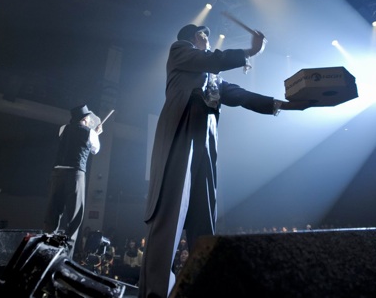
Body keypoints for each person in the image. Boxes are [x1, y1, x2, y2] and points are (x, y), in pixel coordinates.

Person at [138, 23, 312, 298]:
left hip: (206, 140)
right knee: (170, 213)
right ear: (194, 37)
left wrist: (286, 105)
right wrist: (249, 52)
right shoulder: (180, 50)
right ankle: (155, 294)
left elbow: (242, 96)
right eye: (204, 35)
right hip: (180, 133)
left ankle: (204, 289)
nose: (207, 39)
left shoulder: (213, 78)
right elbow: (213, 59)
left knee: (204, 218)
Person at [43, 104, 103, 255]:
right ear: (85, 119)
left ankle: (46, 249)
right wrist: (96, 134)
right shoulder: (90, 133)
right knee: (75, 216)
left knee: (53, 211)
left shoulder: (63, 128)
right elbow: (95, 150)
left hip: (57, 173)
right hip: (75, 174)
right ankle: (67, 254)